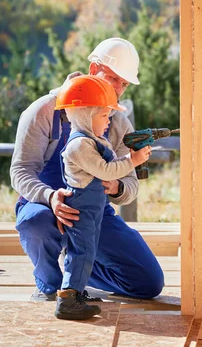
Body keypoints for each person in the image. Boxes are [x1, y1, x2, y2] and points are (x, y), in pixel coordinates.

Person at [11, 37, 164, 302]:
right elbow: (21, 171)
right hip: (47, 207)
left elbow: (131, 185)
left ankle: (78, 267)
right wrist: (50, 197)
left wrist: (116, 187)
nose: (117, 89)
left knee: (148, 282)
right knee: (35, 222)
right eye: (112, 78)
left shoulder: (118, 124)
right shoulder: (43, 111)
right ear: (94, 70)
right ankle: (50, 284)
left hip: (94, 212)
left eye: (124, 83)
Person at [52, 74, 151, 320]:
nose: (109, 121)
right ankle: (68, 300)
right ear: (86, 116)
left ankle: (77, 292)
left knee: (89, 251)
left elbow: (111, 170)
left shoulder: (93, 140)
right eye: (104, 116)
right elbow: (106, 170)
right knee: (82, 253)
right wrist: (132, 161)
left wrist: (126, 166)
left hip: (95, 209)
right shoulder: (79, 145)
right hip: (83, 209)